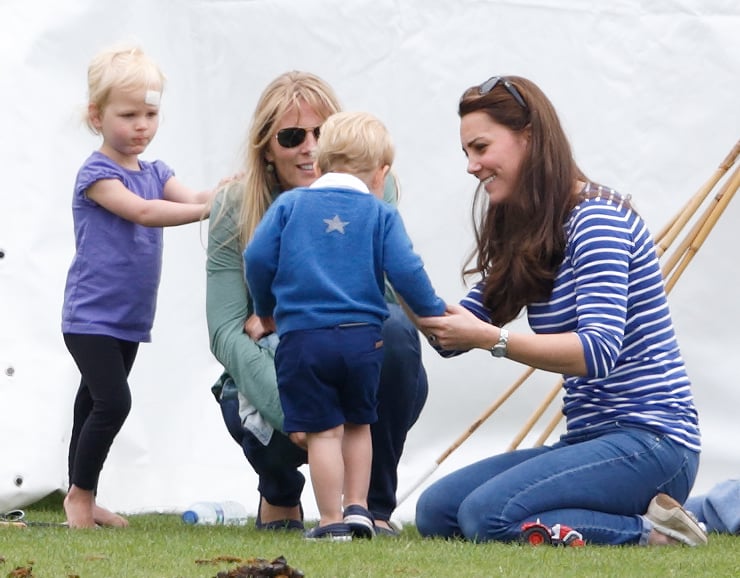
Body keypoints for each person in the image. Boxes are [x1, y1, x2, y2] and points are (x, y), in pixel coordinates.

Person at [412, 75, 707, 546]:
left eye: (481, 147)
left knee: (486, 518)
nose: (471, 166)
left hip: (652, 443)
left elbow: (596, 352)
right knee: (436, 512)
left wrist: (492, 340)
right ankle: (658, 517)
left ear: (528, 136)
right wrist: (384, 268)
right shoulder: (533, 229)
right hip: (590, 441)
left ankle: (650, 532)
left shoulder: (597, 219)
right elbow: (456, 329)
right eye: (466, 153)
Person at [206, 71, 431, 537]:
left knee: (393, 338)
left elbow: (392, 298)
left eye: (321, 133)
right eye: (292, 136)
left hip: (344, 349)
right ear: (266, 148)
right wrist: (294, 412)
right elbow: (226, 330)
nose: (309, 147)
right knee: (292, 393)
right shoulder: (235, 202)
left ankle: (369, 507)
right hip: (272, 359)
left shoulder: (374, 190)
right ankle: (280, 487)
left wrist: (434, 317)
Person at [61, 45, 212, 528]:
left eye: (150, 113)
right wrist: (207, 210)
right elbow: (146, 213)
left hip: (128, 319)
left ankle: (82, 497)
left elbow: (194, 197)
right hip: (90, 317)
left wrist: (236, 188)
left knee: (91, 404)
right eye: (128, 115)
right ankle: (79, 499)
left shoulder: (157, 172)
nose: (142, 125)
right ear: (96, 116)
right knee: (113, 402)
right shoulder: (97, 175)